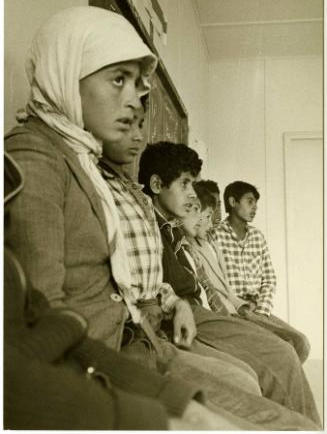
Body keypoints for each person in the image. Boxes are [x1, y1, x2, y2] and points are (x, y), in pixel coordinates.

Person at [3, 6, 265, 429]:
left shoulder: (79, 158)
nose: (132, 101)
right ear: (67, 73)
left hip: (132, 347)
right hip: (102, 369)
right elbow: (49, 330)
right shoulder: (36, 156)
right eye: (117, 79)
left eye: (136, 85)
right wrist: (167, 412)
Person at [4, 151, 253, 431]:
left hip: (140, 329)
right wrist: (70, 322)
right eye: (185, 184)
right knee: (249, 389)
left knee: (249, 381)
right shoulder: (39, 156)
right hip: (125, 335)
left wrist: (179, 304)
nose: (193, 198)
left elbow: (157, 282)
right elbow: (21, 370)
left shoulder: (146, 208)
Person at [138, 141, 321, 427]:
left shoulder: (172, 228)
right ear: (157, 184)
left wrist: (251, 306)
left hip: (203, 309)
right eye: (185, 184)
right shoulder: (146, 221)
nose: (191, 194)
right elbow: (156, 285)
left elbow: (230, 280)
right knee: (274, 359)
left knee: (286, 349)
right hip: (185, 314)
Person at [184, 180, 311, 363]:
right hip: (236, 309)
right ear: (233, 202)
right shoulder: (213, 235)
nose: (255, 208)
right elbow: (215, 286)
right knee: (284, 347)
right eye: (250, 202)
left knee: (300, 343)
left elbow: (269, 279)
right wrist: (241, 311)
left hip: (256, 307)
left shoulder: (257, 236)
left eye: (256, 203)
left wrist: (262, 310)